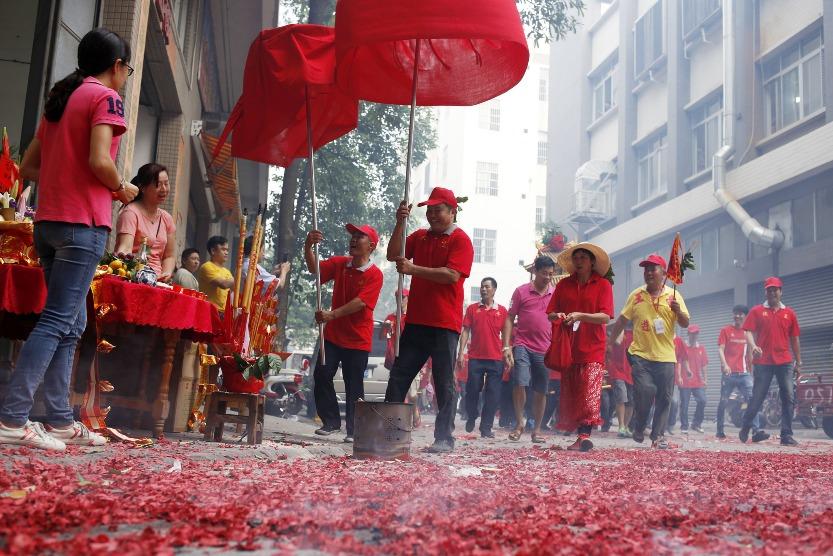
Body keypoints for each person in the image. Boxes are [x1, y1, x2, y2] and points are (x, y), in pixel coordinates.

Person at [0, 28, 138, 450]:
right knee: (59, 320)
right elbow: (100, 159)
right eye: (127, 68)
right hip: (82, 225)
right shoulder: (104, 97)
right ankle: (11, 418)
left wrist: (69, 174)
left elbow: (30, 165)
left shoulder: (62, 99)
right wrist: (121, 188)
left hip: (49, 223)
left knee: (72, 322)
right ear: (116, 66)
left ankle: (60, 419)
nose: (126, 76)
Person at [384, 186, 474, 454]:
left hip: (445, 324)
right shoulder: (420, 236)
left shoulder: (461, 240)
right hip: (417, 322)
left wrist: (413, 269)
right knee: (399, 375)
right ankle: (388, 431)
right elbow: (392, 253)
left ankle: (444, 438)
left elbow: (452, 275)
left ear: (452, 211)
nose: (433, 215)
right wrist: (400, 222)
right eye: (430, 211)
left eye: (438, 210)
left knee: (444, 381)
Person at [305, 224, 383, 442]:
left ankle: (354, 430)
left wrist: (331, 315)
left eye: (360, 236)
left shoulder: (375, 275)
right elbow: (315, 270)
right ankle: (330, 422)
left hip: (357, 338)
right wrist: (308, 246)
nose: (354, 239)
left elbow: (360, 303)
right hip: (333, 336)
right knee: (322, 373)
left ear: (371, 246)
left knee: (354, 383)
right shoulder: (341, 263)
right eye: (353, 236)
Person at [609, 254, 690, 449]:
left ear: (664, 273)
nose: (648, 273)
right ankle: (639, 424)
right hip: (640, 355)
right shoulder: (636, 295)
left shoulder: (674, 295)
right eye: (646, 269)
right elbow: (621, 320)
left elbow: (685, 323)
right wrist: (610, 343)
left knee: (664, 397)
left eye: (653, 269)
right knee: (646, 390)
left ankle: (658, 436)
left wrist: (678, 310)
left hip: (666, 356)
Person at [547, 243, 614, 451]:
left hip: (593, 346)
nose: (579, 261)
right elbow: (550, 312)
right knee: (574, 391)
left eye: (583, 257)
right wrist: (558, 316)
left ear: (592, 262)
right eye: (576, 258)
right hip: (570, 346)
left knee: (589, 390)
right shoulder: (564, 285)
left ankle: (585, 435)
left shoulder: (603, 285)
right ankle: (579, 435)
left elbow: (605, 317)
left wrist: (580, 315)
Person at [739, 277, 801, 446]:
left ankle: (786, 434)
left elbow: (794, 339)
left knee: (788, 396)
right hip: (763, 361)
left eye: (775, 289)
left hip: (785, 361)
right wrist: (753, 346)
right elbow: (748, 332)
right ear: (765, 292)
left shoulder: (789, 313)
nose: (772, 292)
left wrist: (799, 362)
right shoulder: (757, 311)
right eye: (769, 290)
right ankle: (746, 425)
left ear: (781, 291)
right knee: (758, 397)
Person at [504, 256, 556, 444]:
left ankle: (537, 430)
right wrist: (507, 346)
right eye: (544, 273)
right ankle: (519, 424)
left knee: (541, 390)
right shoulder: (520, 292)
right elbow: (510, 318)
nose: (547, 278)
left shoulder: (555, 294)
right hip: (522, 345)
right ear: (535, 271)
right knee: (520, 382)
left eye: (551, 274)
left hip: (545, 348)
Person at [458, 277, 508, 438]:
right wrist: (461, 352)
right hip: (475, 357)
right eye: (482, 287)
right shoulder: (472, 309)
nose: (483, 289)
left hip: (496, 358)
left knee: (493, 394)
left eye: (487, 287)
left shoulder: (502, 311)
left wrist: (507, 350)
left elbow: (506, 332)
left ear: (494, 289)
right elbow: (465, 331)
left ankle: (486, 427)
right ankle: (472, 415)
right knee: (472, 390)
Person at [114, 163, 175, 281]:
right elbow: (125, 249)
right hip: (132, 276)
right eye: (158, 185)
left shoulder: (167, 218)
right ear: (143, 188)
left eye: (166, 184)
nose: (164, 189)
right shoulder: (131, 212)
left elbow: (170, 256)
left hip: (157, 280)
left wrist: (166, 273)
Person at [716, 305, 765, 440]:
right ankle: (719, 430)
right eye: (735, 313)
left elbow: (749, 353)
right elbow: (720, 349)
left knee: (752, 400)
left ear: (745, 316)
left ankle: (756, 430)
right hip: (729, 373)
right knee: (724, 402)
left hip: (744, 374)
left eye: (740, 314)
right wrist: (724, 365)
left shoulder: (747, 332)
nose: (737, 316)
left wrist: (752, 371)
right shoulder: (725, 330)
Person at [678, 325, 708, 433]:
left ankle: (696, 424)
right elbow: (679, 362)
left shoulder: (701, 348)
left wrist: (705, 379)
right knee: (684, 404)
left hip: (697, 381)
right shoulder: (683, 346)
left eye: (696, 333)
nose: (694, 335)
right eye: (692, 333)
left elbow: (704, 364)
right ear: (688, 334)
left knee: (702, 401)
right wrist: (679, 376)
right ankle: (684, 426)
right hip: (685, 381)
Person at [197, 236, 234, 313]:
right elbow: (224, 284)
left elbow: (235, 287)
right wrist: (241, 277)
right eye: (223, 249)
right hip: (209, 310)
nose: (226, 253)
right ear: (213, 251)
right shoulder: (207, 266)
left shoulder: (227, 271)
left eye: (227, 250)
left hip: (224, 312)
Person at [609, 326, 634, 438]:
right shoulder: (619, 330)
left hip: (632, 372)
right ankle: (621, 426)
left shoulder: (638, 333)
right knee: (621, 397)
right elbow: (618, 342)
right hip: (618, 370)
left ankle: (627, 426)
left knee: (631, 401)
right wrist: (621, 326)